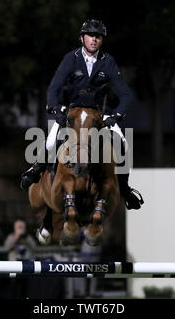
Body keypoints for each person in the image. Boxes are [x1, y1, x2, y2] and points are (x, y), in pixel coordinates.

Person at [20, 19, 144, 210]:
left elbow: (126, 94)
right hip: (72, 112)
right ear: (82, 38)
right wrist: (55, 108)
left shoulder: (107, 62)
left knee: (123, 144)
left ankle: (125, 189)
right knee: (52, 140)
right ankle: (36, 170)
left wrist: (117, 115)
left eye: (98, 37)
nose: (94, 40)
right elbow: (54, 87)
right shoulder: (71, 59)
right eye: (90, 36)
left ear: (101, 40)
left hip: (100, 115)